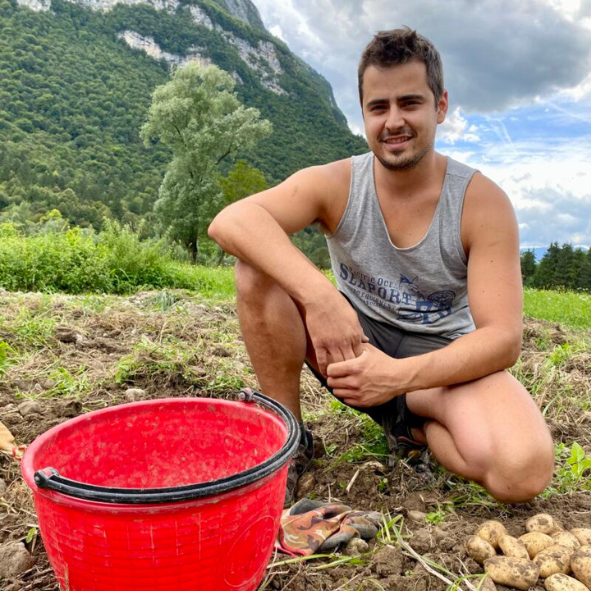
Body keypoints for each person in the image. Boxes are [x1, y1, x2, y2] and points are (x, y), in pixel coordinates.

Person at [208, 27, 554, 506]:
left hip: (436, 370)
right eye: (378, 107)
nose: (394, 121)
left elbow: (502, 339)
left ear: (441, 106)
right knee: (256, 267)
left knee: (522, 471)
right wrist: (323, 298)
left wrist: (396, 377)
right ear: (364, 113)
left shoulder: (482, 203)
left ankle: (414, 431)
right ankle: (287, 441)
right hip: (350, 349)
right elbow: (234, 220)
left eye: (410, 103)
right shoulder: (337, 183)